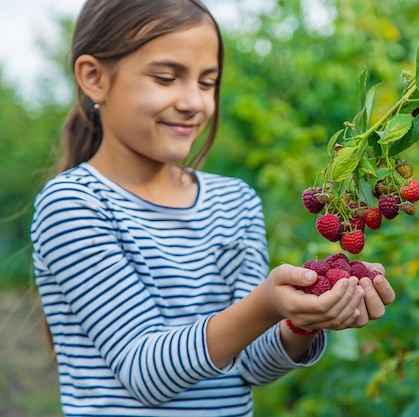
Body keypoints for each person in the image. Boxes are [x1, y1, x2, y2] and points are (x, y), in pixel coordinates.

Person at [30, 1, 396, 416]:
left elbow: (252, 364)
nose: (193, 102)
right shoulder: (75, 205)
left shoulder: (233, 203)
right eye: (166, 78)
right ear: (94, 78)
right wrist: (265, 304)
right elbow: (145, 372)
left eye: (207, 83)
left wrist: (301, 321)